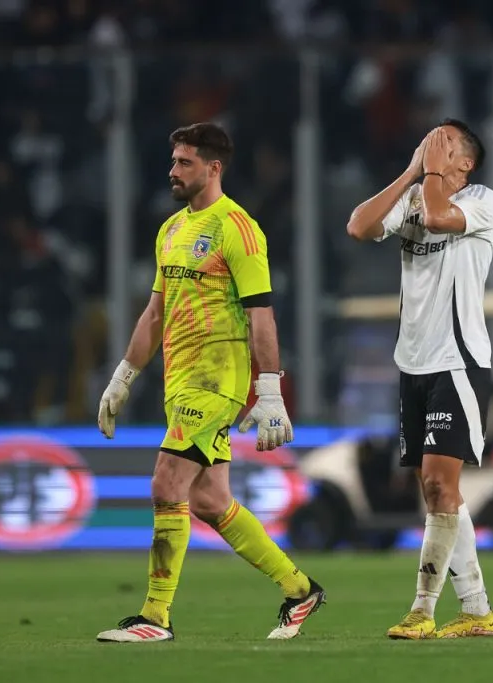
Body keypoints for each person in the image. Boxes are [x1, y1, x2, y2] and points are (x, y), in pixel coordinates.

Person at [94, 123, 325, 643]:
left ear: (213, 168)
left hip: (218, 380)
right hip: (180, 380)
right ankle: (299, 589)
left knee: (166, 485)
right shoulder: (171, 229)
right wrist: (123, 377)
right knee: (209, 501)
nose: (173, 171)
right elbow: (155, 312)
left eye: (184, 163)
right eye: (174, 161)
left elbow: (261, 315)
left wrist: (270, 392)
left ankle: (155, 619)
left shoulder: (238, 229)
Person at [346, 119, 493, 640]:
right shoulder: (416, 190)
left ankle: (422, 609)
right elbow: (359, 227)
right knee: (437, 494)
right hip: (411, 363)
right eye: (430, 138)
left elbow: (437, 218)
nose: (434, 144)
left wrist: (428, 174)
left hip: (456, 361)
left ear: (466, 162)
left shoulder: (482, 200)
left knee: (439, 484)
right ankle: (478, 611)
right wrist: (413, 170)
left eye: (446, 142)